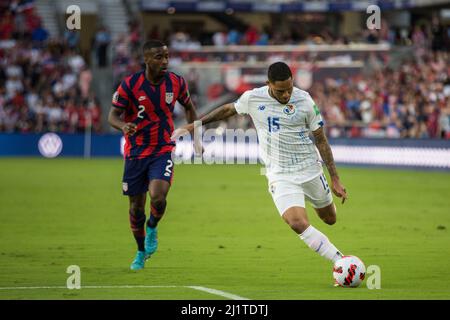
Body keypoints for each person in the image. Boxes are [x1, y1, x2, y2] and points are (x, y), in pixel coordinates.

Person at [172, 62, 348, 282]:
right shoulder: (253, 98)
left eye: (289, 89)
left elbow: (321, 139)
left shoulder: (304, 100)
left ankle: (317, 207)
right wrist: (196, 124)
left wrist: (335, 178)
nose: (286, 95)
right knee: (296, 222)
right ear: (268, 84)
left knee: (329, 219)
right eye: (280, 90)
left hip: (310, 169)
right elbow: (228, 109)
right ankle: (341, 261)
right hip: (280, 174)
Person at [108, 40, 198, 270]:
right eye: (159, 57)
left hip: (162, 148)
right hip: (136, 152)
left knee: (158, 196)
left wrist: (195, 136)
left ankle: (153, 227)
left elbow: (189, 107)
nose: (165, 61)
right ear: (146, 59)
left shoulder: (176, 82)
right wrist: (122, 126)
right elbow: (113, 115)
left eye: (166, 56)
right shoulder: (130, 85)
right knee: (135, 208)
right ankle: (140, 251)